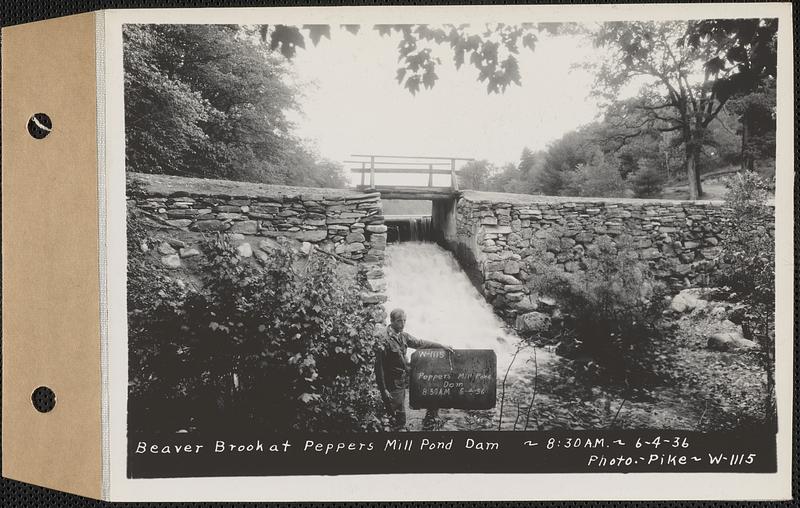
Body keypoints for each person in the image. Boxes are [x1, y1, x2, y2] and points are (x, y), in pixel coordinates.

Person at [375, 308, 454, 431]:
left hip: (401, 382)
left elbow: (420, 343)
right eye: (399, 321)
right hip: (391, 384)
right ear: (391, 321)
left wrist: (441, 345)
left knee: (398, 418)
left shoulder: (403, 336)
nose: (403, 324)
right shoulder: (384, 339)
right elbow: (379, 368)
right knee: (395, 418)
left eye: (404, 321)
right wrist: (383, 389)